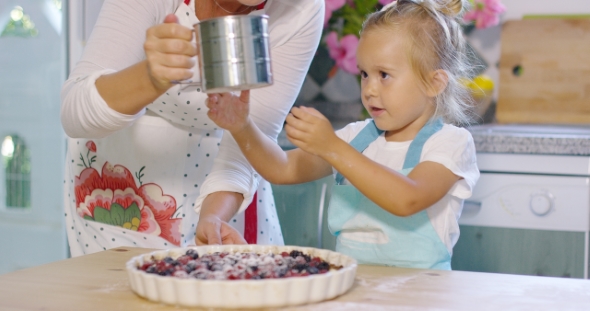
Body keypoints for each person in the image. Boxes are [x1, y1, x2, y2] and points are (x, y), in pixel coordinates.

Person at [205, 0, 480, 269]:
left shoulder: (450, 143)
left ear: (434, 83)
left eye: (384, 74)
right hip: (354, 286)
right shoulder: (355, 138)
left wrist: (333, 148)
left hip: (422, 293)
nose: (369, 89)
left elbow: (408, 199)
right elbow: (283, 169)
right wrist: (242, 126)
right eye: (364, 74)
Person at [60, 0, 324, 256]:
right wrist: (151, 78)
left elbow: (253, 139)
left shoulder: (301, 7)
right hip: (121, 187)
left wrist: (213, 216)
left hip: (225, 191)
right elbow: (74, 111)